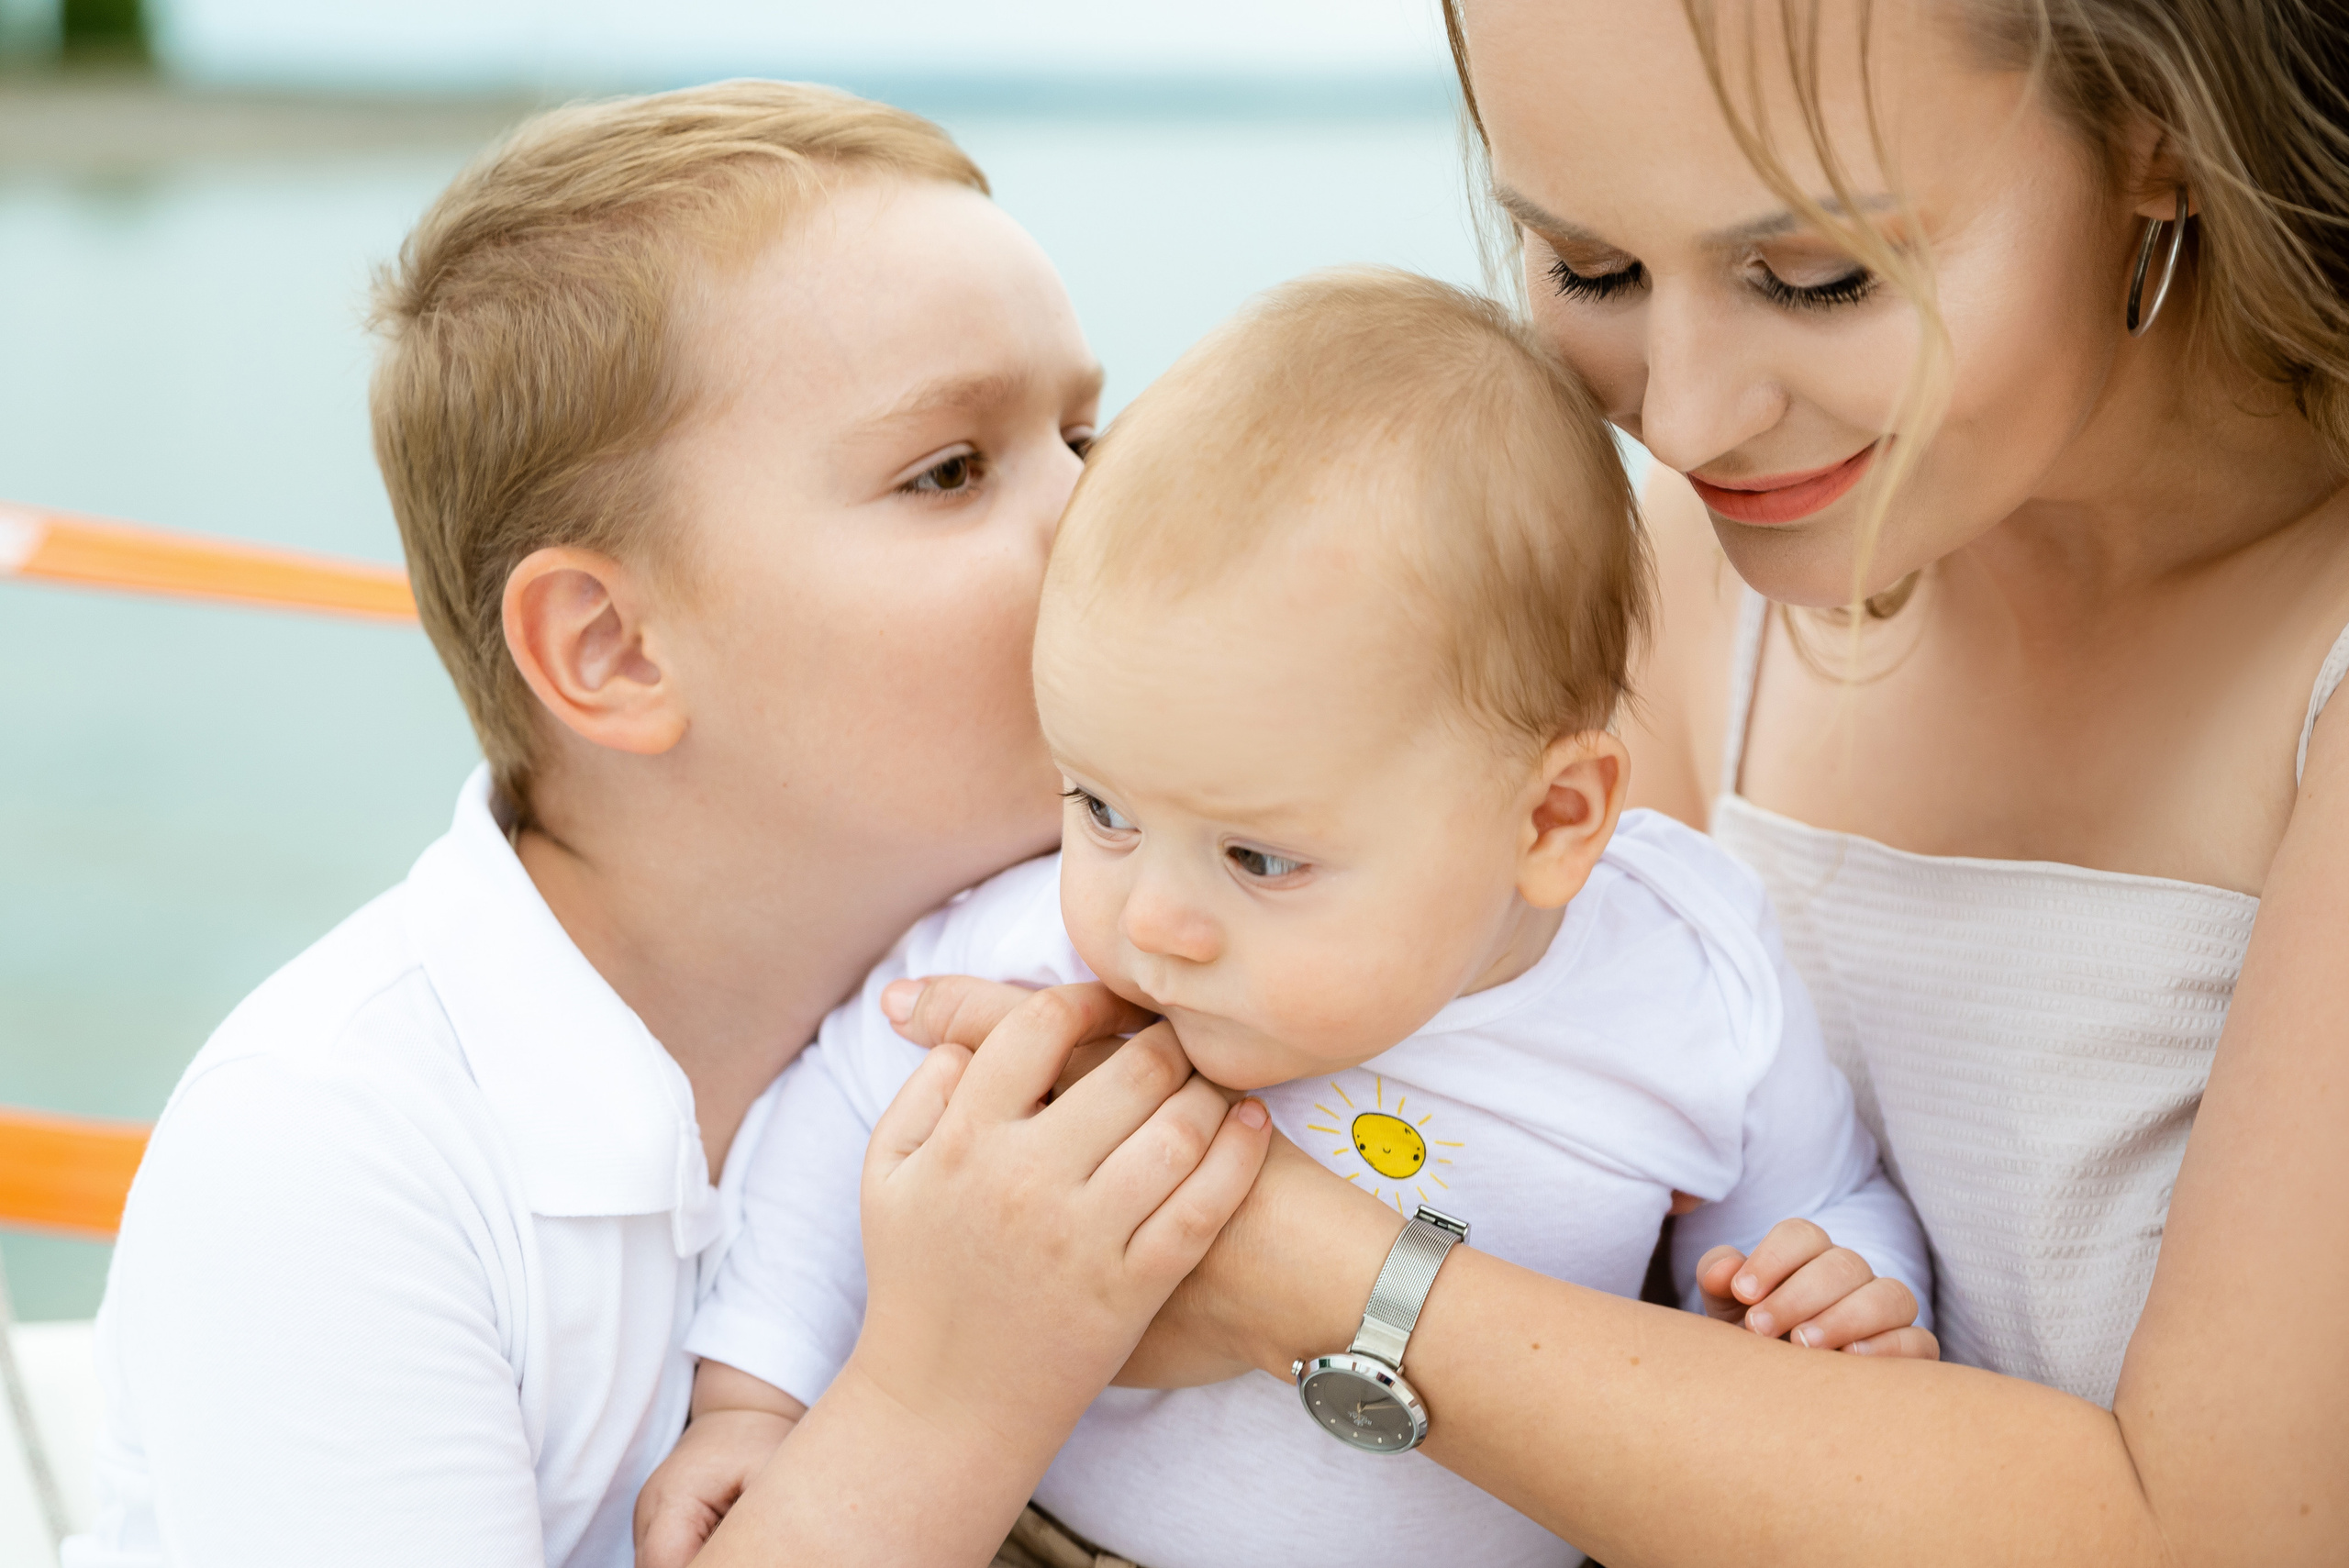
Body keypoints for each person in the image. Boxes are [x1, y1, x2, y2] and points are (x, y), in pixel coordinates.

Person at [875, 1, 2349, 1562]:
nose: (1686, 417)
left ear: (2163, 137)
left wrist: (1275, 1254)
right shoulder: (1704, 561)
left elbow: (2219, 1531)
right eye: (1592, 269)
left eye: (1814, 277)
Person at [63, 81, 1267, 1568]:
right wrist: (948, 1401)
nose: (1110, 512)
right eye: (950, 469)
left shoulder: (1095, 975)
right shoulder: (334, 1147)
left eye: (1088, 431)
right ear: (613, 651)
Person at [637, 270, 1935, 1568]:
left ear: (1549, 822)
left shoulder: (1689, 984)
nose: (1150, 916)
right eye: (1099, 803)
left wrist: (1828, 1290)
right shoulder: (1037, 959)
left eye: (1258, 856)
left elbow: (1811, 1194)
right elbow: (851, 1107)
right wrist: (758, 1397)